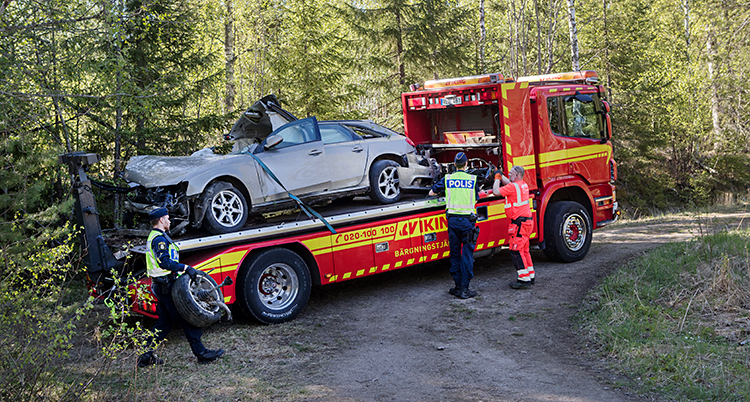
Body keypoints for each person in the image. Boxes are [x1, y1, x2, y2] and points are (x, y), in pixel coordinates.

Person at [137, 207, 225, 367]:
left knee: (164, 323)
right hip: (165, 285)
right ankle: (201, 353)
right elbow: (164, 262)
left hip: (160, 285)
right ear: (161, 220)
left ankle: (145, 356)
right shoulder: (159, 239)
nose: (170, 221)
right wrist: (186, 268)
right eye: (168, 218)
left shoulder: (156, 236)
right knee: (188, 318)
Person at [429, 152, 480, 299]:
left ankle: (457, 287)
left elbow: (432, 192)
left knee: (455, 253)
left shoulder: (448, 179)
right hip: (468, 222)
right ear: (466, 164)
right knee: (467, 254)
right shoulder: (472, 179)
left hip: (452, 222)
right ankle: (465, 288)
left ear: (454, 164)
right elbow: (476, 198)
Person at [492, 166, 535, 289]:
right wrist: (500, 174)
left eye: (510, 174)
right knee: (524, 250)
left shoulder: (512, 187)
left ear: (516, 176)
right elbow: (510, 183)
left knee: (515, 250)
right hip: (526, 222)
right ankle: (530, 275)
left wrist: (497, 178)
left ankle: (523, 279)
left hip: (519, 223)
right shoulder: (522, 184)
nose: (509, 176)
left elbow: (496, 191)